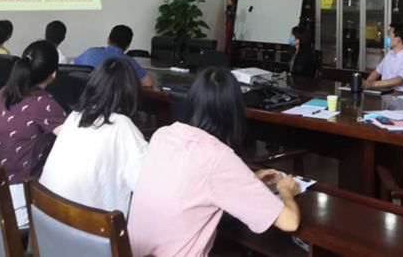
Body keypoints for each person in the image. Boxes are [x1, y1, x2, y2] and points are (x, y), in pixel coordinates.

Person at [128, 67, 300, 257]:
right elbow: (290, 222)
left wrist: (248, 180)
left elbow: (192, 185)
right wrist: (286, 190)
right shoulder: (218, 157)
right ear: (234, 111)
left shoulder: (164, 135)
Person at [0, 40, 67, 227]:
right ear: (53, 74)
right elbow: (75, 141)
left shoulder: (4, 92)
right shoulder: (43, 103)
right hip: (12, 205)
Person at [40, 58, 147, 215]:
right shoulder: (123, 126)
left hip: (46, 219)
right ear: (132, 91)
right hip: (85, 226)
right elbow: (146, 186)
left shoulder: (75, 117)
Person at [74, 25, 153, 87]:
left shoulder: (90, 52)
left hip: (85, 98)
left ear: (108, 40)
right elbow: (148, 83)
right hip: (113, 101)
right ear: (128, 46)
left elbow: (72, 68)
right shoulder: (128, 61)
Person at [363, 22, 403, 94]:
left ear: (398, 39)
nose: (386, 37)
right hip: (387, 92)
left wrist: (373, 84)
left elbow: (399, 80)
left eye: (389, 35)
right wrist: (367, 83)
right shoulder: (390, 53)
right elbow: (377, 72)